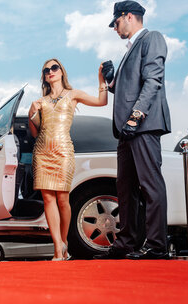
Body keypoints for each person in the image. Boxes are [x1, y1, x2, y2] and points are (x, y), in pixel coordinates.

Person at [95, 1, 171, 260]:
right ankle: (127, 243)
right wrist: (111, 80)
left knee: (150, 186)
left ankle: (157, 246)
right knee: (125, 187)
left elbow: (153, 80)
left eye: (116, 23)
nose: (114, 28)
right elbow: (129, 89)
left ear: (128, 17)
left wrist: (136, 117)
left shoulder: (152, 39)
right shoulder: (129, 49)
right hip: (127, 129)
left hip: (142, 124)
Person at [28, 58, 108, 260]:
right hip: (42, 152)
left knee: (63, 199)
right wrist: (32, 114)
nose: (50, 71)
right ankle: (57, 247)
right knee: (48, 198)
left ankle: (64, 242)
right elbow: (35, 133)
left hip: (63, 152)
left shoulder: (74, 95)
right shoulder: (40, 101)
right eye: (46, 70)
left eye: (54, 68)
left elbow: (101, 102)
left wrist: (102, 80)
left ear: (61, 72)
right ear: (44, 76)